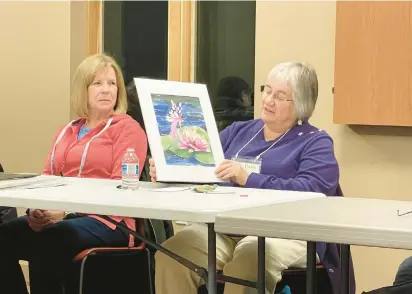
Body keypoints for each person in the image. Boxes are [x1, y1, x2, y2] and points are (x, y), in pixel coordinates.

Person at [150, 62, 355, 294]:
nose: (268, 100)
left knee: (250, 259)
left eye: (279, 96)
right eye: (267, 91)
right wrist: (170, 171)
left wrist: (249, 178)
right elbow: (200, 164)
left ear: (301, 103)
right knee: (174, 253)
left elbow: (312, 190)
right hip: (225, 228)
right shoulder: (238, 131)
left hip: (286, 233)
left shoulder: (315, 142)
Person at [0, 53, 147, 294]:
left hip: (110, 221)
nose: (106, 90)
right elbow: (46, 178)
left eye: (112, 84)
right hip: (61, 219)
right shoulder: (67, 131)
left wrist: (66, 212)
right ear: (83, 89)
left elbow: (120, 188)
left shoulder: (127, 129)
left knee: (51, 239)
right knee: (4, 236)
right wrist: (36, 211)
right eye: (97, 83)